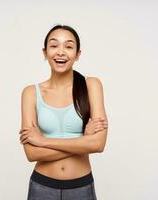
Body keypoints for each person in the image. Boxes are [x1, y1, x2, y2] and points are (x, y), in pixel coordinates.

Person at [19, 24, 108, 200]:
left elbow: (98, 144)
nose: (61, 52)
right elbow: (32, 154)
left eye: (68, 46)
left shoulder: (91, 85)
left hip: (81, 187)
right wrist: (84, 141)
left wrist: (42, 141)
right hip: (41, 187)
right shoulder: (30, 93)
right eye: (54, 45)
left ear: (77, 54)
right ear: (45, 53)